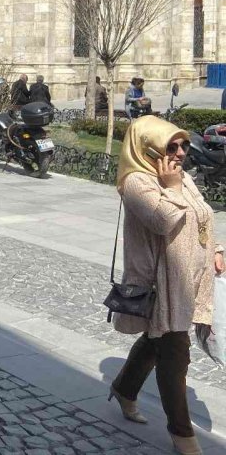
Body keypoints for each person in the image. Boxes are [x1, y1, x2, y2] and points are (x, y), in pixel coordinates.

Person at [108, 116, 224, 455]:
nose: (181, 153)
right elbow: (164, 220)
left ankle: (124, 389)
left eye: (183, 145)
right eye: (171, 146)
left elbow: (201, 214)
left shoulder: (179, 175)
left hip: (190, 275)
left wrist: (216, 249)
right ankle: (182, 433)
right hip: (162, 282)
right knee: (175, 352)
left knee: (156, 339)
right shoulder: (136, 182)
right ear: (147, 148)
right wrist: (171, 188)